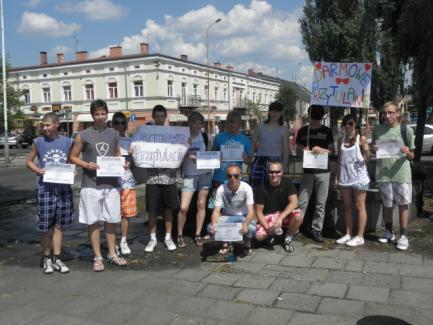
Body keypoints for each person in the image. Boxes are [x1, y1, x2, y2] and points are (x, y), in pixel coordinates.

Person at [70, 99, 127, 271]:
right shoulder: (84, 134)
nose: (100, 117)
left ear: (107, 113)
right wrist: (85, 164)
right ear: (92, 115)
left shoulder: (114, 133)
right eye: (97, 114)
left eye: (103, 113)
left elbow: (117, 154)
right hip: (91, 184)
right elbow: (72, 156)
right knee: (93, 222)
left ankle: (112, 253)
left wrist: (121, 164)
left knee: (111, 221)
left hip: (110, 184)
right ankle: (98, 257)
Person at [26, 112, 75, 274]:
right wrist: (38, 170)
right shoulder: (38, 142)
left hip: (62, 188)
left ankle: (57, 258)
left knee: (60, 225)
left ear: (56, 125)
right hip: (45, 188)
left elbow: (70, 162)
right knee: (46, 226)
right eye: (43, 125)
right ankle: (46, 258)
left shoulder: (68, 142)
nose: (44, 128)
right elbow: (29, 162)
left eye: (47, 125)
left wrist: (71, 172)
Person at [372, 101, 415, 250]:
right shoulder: (377, 129)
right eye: (385, 113)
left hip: (401, 173)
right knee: (387, 205)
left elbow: (412, 156)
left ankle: (403, 235)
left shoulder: (406, 130)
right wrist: (374, 148)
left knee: (403, 205)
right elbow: (373, 149)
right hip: (383, 174)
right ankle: (389, 232)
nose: (387, 115)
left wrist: (407, 152)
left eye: (390, 112)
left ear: (397, 114)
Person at [142, 105, 179, 252]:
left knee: (169, 209)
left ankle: (168, 237)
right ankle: (152, 239)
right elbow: (140, 148)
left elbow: (179, 148)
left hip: (169, 178)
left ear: (165, 117)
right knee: (152, 210)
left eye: (161, 116)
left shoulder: (172, 133)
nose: (159, 119)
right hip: (152, 178)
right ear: (153, 116)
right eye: (156, 116)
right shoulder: (147, 134)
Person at [296, 105, 335, 242]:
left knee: (321, 203)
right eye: (313, 116)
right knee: (302, 202)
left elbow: (332, 151)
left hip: (323, 171)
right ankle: (295, 227)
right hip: (308, 171)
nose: (314, 119)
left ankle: (316, 230)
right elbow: (297, 151)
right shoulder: (302, 131)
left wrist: (321, 149)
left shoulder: (327, 131)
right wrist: (304, 150)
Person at [334, 114, 370, 247]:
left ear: (356, 125)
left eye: (350, 123)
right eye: (345, 124)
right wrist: (337, 177)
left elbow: (367, 160)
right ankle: (348, 233)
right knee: (347, 206)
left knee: (360, 206)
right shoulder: (341, 140)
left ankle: (360, 236)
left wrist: (367, 151)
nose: (347, 126)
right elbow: (339, 160)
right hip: (345, 177)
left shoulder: (362, 139)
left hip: (359, 178)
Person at [177, 111, 211, 247]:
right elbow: (177, 154)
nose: (196, 125)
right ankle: (179, 235)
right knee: (183, 207)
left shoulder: (206, 136)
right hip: (190, 174)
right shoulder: (184, 137)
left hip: (205, 173)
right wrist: (187, 155)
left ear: (202, 124)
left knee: (201, 204)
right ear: (189, 123)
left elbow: (210, 153)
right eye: (194, 121)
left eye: (199, 122)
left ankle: (198, 234)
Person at [254, 161, 302, 252]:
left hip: (284, 215)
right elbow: (259, 212)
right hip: (269, 216)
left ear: (282, 172)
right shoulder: (261, 188)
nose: (274, 174)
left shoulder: (287, 182)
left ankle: (288, 237)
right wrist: (267, 229)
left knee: (298, 216)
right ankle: (274, 235)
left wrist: (280, 217)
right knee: (258, 237)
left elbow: (294, 203)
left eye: (277, 172)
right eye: (271, 172)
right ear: (268, 173)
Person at [209, 164, 256, 255]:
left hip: (243, 216)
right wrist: (214, 224)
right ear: (227, 176)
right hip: (227, 216)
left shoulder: (247, 188)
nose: (233, 178)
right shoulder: (221, 189)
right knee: (210, 228)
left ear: (241, 176)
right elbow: (216, 211)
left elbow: (251, 210)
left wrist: (246, 224)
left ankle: (247, 243)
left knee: (252, 229)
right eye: (230, 176)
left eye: (236, 176)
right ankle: (225, 243)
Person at [112, 112, 137, 255]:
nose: (120, 125)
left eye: (123, 123)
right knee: (112, 214)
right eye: (117, 122)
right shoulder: (109, 140)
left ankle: (123, 240)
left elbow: (134, 163)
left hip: (127, 180)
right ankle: (113, 242)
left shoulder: (129, 141)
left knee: (125, 214)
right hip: (112, 181)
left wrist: (132, 156)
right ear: (112, 124)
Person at [251, 101, 289, 189]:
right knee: (257, 188)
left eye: (278, 111)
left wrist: (285, 166)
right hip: (260, 160)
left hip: (276, 161)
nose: (275, 113)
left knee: (274, 189)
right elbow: (252, 143)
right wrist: (250, 160)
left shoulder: (284, 128)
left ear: (281, 113)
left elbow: (286, 149)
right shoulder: (260, 126)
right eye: (273, 111)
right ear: (269, 112)